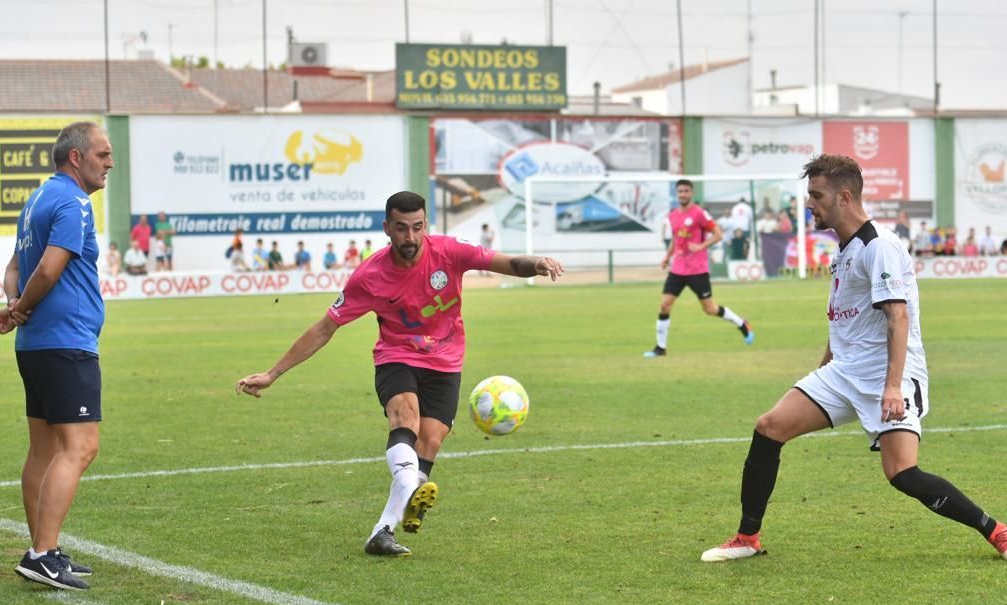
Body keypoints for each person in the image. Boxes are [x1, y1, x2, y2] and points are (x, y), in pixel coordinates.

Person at [701, 154, 1007, 563]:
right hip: (844, 372)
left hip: (888, 372)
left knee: (902, 474)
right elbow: (845, 319)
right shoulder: (845, 249)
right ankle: (747, 537)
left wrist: (893, 386)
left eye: (816, 195)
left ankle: (997, 531)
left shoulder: (877, 245)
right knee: (769, 427)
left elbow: (897, 315)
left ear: (844, 196)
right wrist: (824, 367)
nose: (809, 203)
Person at [235, 191, 565, 557]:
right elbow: (324, 328)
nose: (410, 237)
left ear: (426, 225)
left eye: (417, 227)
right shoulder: (370, 276)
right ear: (387, 228)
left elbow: (501, 261)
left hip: (446, 360)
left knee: (430, 442)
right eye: (402, 228)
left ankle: (383, 531)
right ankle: (410, 485)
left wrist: (536, 263)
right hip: (397, 356)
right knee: (405, 417)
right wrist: (273, 373)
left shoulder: (450, 252)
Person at [0, 121, 113, 590]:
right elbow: (48, 268)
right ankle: (42, 553)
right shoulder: (74, 202)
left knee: (43, 450)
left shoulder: (37, 198)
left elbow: (14, 266)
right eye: (102, 154)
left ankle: (44, 548)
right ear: (76, 158)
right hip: (67, 340)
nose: (110, 163)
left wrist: (13, 310)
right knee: (81, 447)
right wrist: (20, 307)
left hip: (36, 344)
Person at [644, 179, 754, 358]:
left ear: (691, 193)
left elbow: (718, 234)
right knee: (665, 305)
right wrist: (667, 256)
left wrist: (702, 246)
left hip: (698, 269)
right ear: (676, 193)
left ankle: (742, 323)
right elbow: (675, 240)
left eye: (686, 191)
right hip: (678, 268)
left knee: (709, 309)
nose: (683, 194)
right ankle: (660, 348)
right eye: (680, 191)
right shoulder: (672, 215)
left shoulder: (699, 214)